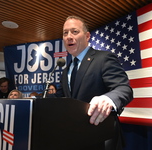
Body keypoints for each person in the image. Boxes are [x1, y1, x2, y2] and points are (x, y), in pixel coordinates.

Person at [53, 16, 133, 150]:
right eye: (65, 33)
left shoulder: (103, 58)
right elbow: (61, 99)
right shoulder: (66, 69)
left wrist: (108, 99)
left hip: (101, 138)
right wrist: (35, 101)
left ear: (87, 36)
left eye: (74, 31)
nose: (69, 36)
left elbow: (124, 88)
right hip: (74, 138)